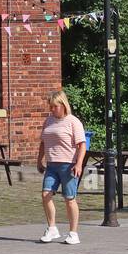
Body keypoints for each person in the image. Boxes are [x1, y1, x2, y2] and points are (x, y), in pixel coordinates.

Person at [36, 90, 87, 245]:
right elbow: (43, 142)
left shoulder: (73, 122)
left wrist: (78, 164)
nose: (52, 109)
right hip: (52, 165)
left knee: (69, 199)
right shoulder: (48, 121)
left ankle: (73, 233)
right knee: (46, 195)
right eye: (50, 107)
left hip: (68, 165)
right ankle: (52, 228)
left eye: (55, 106)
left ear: (63, 105)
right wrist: (40, 160)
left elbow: (82, 145)